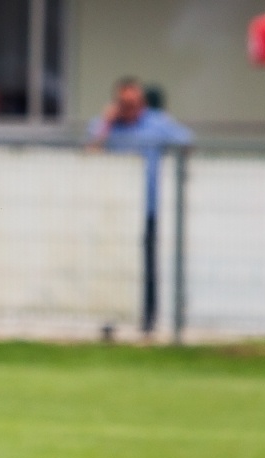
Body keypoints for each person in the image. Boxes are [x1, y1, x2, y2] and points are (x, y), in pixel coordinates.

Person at [88, 77, 192, 334]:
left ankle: (147, 320)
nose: (129, 109)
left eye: (133, 103)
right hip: (111, 214)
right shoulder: (105, 126)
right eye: (123, 103)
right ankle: (110, 319)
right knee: (110, 267)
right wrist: (106, 125)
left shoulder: (157, 123)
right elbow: (89, 154)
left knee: (148, 268)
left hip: (147, 208)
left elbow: (187, 142)